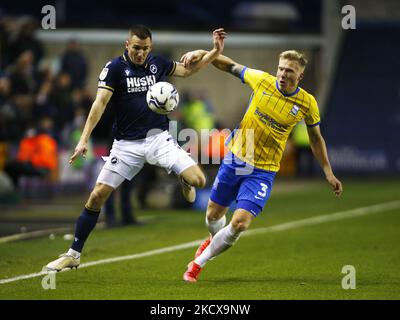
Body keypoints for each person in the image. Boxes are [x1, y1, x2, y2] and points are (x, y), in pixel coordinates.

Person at [45, 25, 226, 271]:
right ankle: (73, 254)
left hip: (159, 139)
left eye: (146, 49)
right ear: (126, 45)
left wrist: (214, 50)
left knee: (199, 181)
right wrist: (83, 139)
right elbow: (99, 103)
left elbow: (189, 69)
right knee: (97, 195)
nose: (141, 53)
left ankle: (183, 178)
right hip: (126, 146)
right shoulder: (115, 69)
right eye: (137, 48)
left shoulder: (157, 63)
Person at [181, 49, 343, 282]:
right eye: (281, 69)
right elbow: (230, 65)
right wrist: (204, 52)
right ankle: (212, 241)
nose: (283, 74)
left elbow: (316, 138)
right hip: (238, 155)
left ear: (300, 76)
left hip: (264, 170)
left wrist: (328, 171)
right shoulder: (262, 80)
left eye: (289, 71)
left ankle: (197, 264)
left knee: (239, 223)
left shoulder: (307, 103)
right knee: (212, 216)